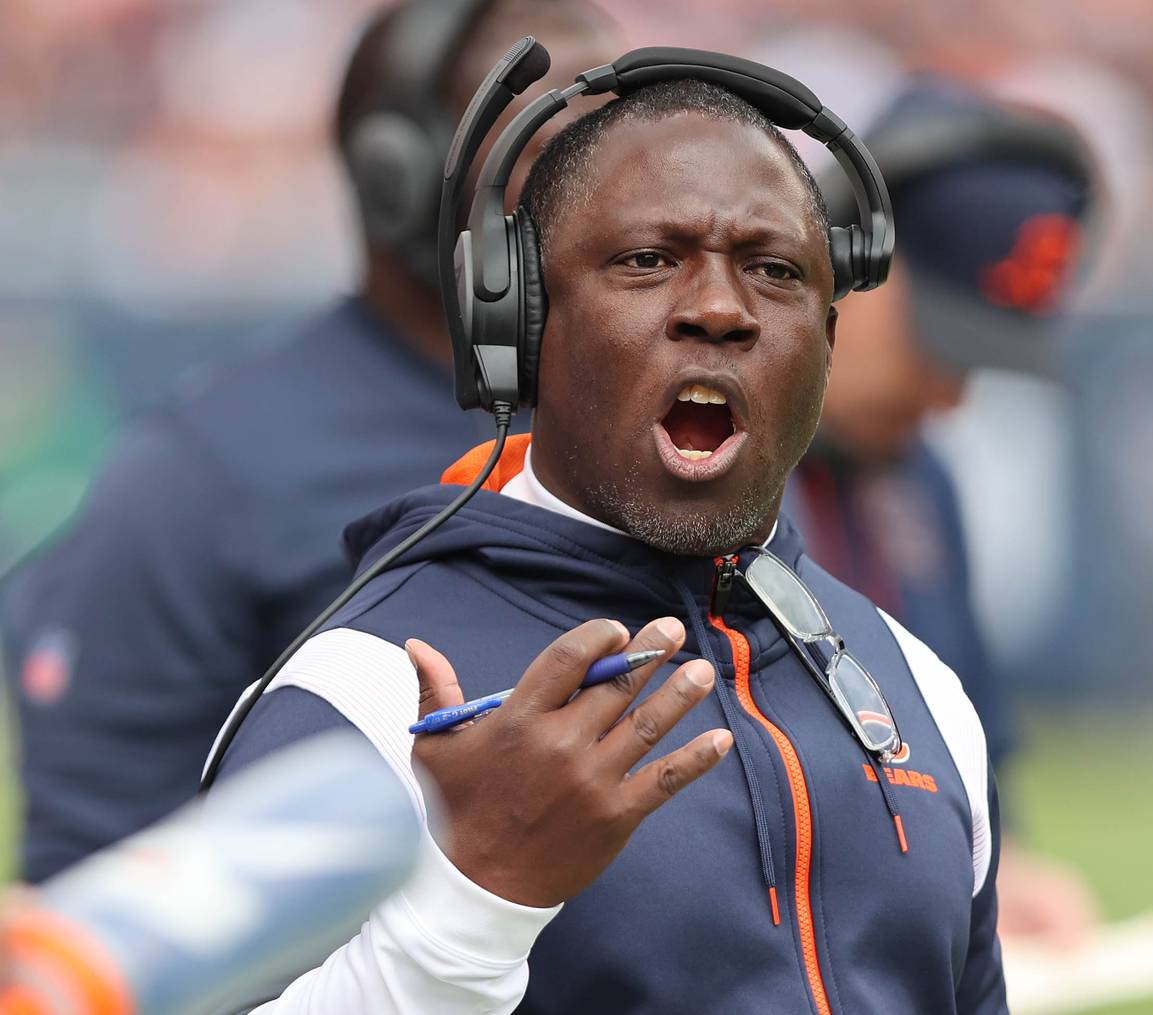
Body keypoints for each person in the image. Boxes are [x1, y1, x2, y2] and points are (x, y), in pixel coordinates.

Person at [211, 75, 1006, 1012]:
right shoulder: (365, 692)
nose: (720, 307)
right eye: (646, 259)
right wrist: (473, 904)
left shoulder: (924, 691)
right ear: (521, 325)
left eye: (775, 270)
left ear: (826, 340)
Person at [0, 0, 616, 882]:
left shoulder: (649, 432)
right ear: (399, 177)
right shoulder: (200, 475)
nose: (615, 179)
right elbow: (97, 898)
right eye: (549, 137)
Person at [786, 80, 1102, 945]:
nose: (951, 398)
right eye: (939, 340)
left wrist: (1009, 870)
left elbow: (972, 767)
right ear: (841, 250)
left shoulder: (922, 481)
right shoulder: (676, 474)